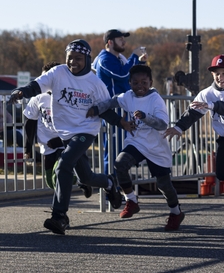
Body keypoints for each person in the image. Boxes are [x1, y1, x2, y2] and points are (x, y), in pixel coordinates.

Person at [9, 40, 125, 235]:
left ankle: (59, 216)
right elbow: (37, 85)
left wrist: (122, 123)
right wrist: (21, 92)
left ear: (87, 59)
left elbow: (105, 109)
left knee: (63, 166)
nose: (73, 62)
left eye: (78, 59)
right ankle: (110, 183)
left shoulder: (95, 83)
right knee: (86, 177)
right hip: (65, 132)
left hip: (85, 131)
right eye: (70, 58)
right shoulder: (59, 72)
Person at [163, 55, 224, 230]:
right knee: (222, 174)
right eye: (217, 73)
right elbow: (193, 112)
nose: (220, 77)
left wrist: (212, 106)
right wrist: (179, 128)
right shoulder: (207, 93)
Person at [87, 64, 184, 231]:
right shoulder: (128, 96)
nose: (140, 87)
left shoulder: (155, 100)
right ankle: (131, 200)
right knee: (120, 164)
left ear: (151, 82)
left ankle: (176, 212)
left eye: (144, 83)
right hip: (136, 142)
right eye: (136, 83)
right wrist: (96, 109)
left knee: (164, 185)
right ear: (130, 83)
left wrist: (145, 117)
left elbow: (162, 125)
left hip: (156, 146)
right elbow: (111, 102)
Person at [22, 62, 93, 198]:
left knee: (58, 176)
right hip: (46, 146)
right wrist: (28, 148)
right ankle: (80, 179)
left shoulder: (68, 96)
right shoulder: (38, 98)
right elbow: (30, 123)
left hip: (64, 143)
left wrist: (59, 141)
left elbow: (76, 124)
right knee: (50, 182)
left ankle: (60, 210)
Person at [91, 29, 147, 172]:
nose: (124, 42)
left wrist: (140, 63)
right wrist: (133, 56)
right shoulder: (105, 58)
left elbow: (130, 79)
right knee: (113, 152)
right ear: (110, 42)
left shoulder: (117, 59)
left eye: (124, 39)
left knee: (122, 151)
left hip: (123, 110)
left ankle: (120, 186)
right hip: (113, 112)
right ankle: (111, 188)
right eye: (120, 39)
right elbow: (121, 75)